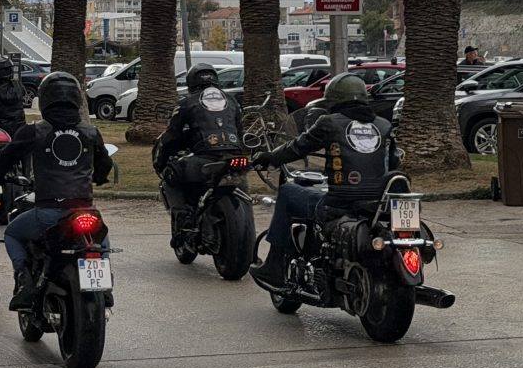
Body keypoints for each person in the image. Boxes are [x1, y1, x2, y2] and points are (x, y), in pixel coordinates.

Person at [249, 73, 399, 290]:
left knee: (288, 192)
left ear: (334, 99)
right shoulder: (384, 125)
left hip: (340, 203)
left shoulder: (329, 122)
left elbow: (298, 147)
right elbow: (393, 161)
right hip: (376, 204)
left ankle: (275, 267)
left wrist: (269, 157)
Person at [0, 72, 114, 310]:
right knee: (101, 242)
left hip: (49, 210)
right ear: (76, 99)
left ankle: (24, 282)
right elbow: (104, 163)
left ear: (45, 99)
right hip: (85, 208)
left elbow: (5, 158)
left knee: (13, 234)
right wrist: (99, 178)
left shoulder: (34, 131)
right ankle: (104, 284)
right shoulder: (91, 132)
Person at [152, 63, 244, 247]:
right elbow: (240, 131)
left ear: (191, 82)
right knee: (242, 186)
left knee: (170, 176)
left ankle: (183, 219)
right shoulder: (232, 101)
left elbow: (171, 136)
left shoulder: (187, 103)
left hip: (205, 159)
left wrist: (161, 161)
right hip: (235, 157)